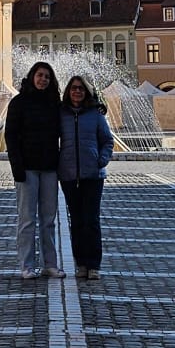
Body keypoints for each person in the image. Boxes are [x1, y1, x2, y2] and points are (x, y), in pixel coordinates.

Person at [4, 61, 64, 280]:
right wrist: (16, 167)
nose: (43, 79)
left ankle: (50, 264)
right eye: (40, 75)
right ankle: (26, 265)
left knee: (49, 220)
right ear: (32, 77)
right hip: (27, 168)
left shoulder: (54, 104)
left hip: (49, 168)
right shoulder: (19, 103)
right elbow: (10, 136)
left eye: (47, 76)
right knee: (27, 219)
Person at [58, 74, 115, 281]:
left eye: (81, 88)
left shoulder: (95, 114)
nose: (77, 91)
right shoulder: (61, 113)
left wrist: (101, 160)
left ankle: (94, 264)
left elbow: (107, 140)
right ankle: (80, 263)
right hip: (69, 175)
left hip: (93, 175)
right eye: (74, 88)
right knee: (77, 221)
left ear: (87, 92)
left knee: (91, 220)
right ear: (68, 91)